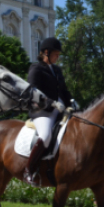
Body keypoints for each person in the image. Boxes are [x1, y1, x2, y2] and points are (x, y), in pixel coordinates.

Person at [24, 37, 72, 186]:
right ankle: (29, 170)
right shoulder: (35, 69)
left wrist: (71, 102)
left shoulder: (57, 70)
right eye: (56, 54)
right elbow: (33, 92)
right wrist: (52, 104)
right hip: (42, 111)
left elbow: (63, 90)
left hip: (62, 109)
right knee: (45, 136)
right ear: (46, 52)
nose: (58, 57)